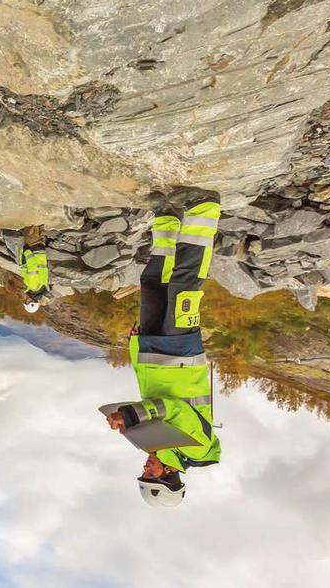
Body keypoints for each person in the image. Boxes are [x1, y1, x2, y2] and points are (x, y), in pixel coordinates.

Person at [100, 189, 222, 508]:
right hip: (181, 352)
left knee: (151, 283)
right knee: (184, 283)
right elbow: (174, 408)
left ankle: (166, 221)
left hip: (153, 351)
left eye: (143, 475)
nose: (145, 469)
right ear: (168, 477)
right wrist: (131, 414)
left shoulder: (151, 443)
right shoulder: (195, 447)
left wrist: (136, 347)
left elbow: (149, 389)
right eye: (150, 476)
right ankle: (204, 211)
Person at [20, 225, 51, 313]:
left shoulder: (42, 289)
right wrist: (26, 252)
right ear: (30, 301)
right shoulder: (33, 286)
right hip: (33, 250)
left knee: (39, 229)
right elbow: (32, 266)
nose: (24, 298)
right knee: (31, 225)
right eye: (25, 301)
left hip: (39, 252)